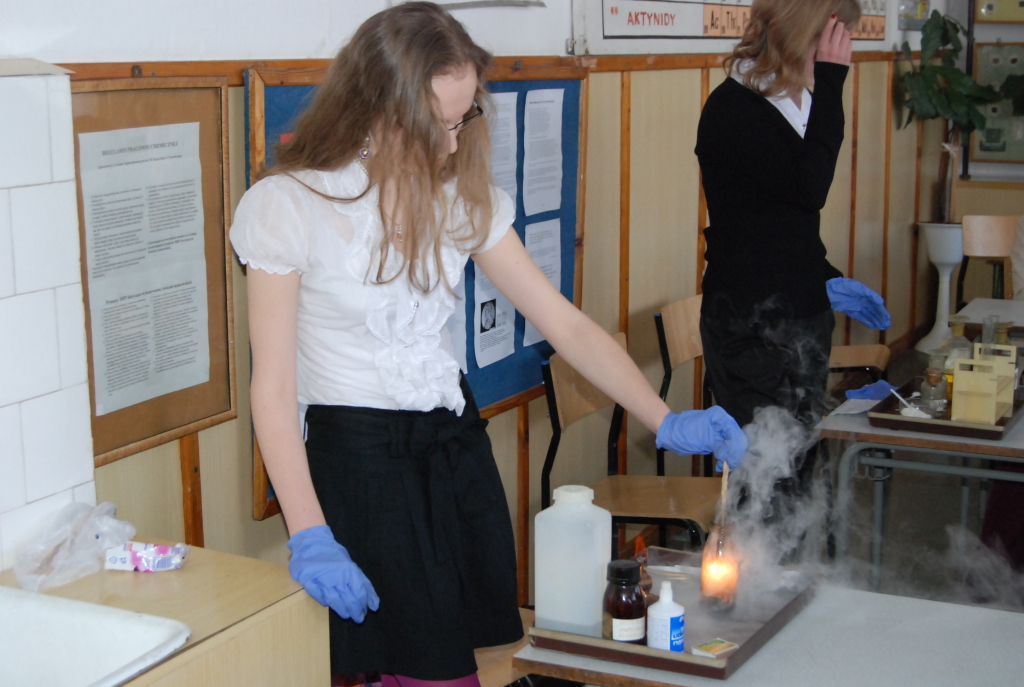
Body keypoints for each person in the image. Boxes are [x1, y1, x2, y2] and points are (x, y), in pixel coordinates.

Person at [230, 4, 748, 685]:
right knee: (424, 671)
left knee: (478, 656)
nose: (451, 147)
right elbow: (272, 388)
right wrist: (309, 533)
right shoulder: (290, 205)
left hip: (453, 447)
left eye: (461, 121)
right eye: (436, 126)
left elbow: (565, 325)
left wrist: (664, 416)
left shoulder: (457, 198)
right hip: (361, 465)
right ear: (377, 106)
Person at [695, 0, 890, 433]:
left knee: (803, 454)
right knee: (768, 461)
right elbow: (808, 189)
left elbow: (783, 219)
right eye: (834, 39)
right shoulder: (736, 106)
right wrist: (833, 81)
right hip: (750, 318)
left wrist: (822, 276)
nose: (841, 52)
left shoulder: (798, 98)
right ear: (804, 34)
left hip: (801, 310)